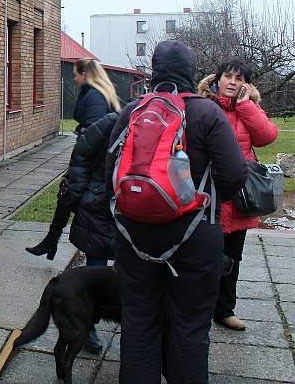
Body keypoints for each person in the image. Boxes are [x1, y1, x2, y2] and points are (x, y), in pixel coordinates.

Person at [106, 40, 247, 384]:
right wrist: (203, 201)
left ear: (154, 71)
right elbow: (234, 175)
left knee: (138, 322)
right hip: (194, 237)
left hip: (135, 236)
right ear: (192, 71)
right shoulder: (208, 112)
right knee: (189, 326)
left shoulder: (133, 110)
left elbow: (109, 171)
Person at [199, 60, 279, 331]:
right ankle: (198, 308)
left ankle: (224, 309)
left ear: (246, 83)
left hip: (239, 195)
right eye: (228, 76)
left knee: (233, 256)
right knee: (204, 256)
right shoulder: (204, 105)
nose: (232, 82)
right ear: (217, 79)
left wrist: (245, 106)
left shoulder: (249, 107)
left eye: (239, 77)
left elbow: (267, 136)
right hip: (208, 192)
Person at [27, 58, 121, 260]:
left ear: (86, 75)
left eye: (76, 75)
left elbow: (97, 130)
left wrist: (83, 133)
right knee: (67, 197)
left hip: (93, 163)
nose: (75, 79)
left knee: (72, 199)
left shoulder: (95, 96)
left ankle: (53, 243)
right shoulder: (96, 92)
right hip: (94, 162)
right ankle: (51, 242)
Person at [65, 110, 119, 354]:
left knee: (127, 272)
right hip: (98, 205)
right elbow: (82, 153)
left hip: (129, 209)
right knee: (95, 269)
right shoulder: (113, 121)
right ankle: (88, 324)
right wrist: (78, 195)